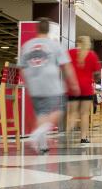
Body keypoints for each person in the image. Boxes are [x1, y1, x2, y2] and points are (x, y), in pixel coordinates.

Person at [19, 18, 80, 153]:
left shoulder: (26, 45)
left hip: (34, 85)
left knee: (42, 113)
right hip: (52, 85)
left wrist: (29, 83)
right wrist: (74, 84)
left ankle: (42, 145)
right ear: (48, 29)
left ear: (37, 29)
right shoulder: (55, 45)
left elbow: (22, 68)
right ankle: (38, 133)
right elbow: (67, 66)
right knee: (59, 109)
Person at [67, 35, 101, 144]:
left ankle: (67, 134)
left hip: (73, 87)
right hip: (86, 87)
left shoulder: (70, 52)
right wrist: (95, 79)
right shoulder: (92, 55)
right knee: (84, 113)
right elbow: (97, 74)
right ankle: (83, 137)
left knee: (72, 113)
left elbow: (64, 68)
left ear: (77, 42)